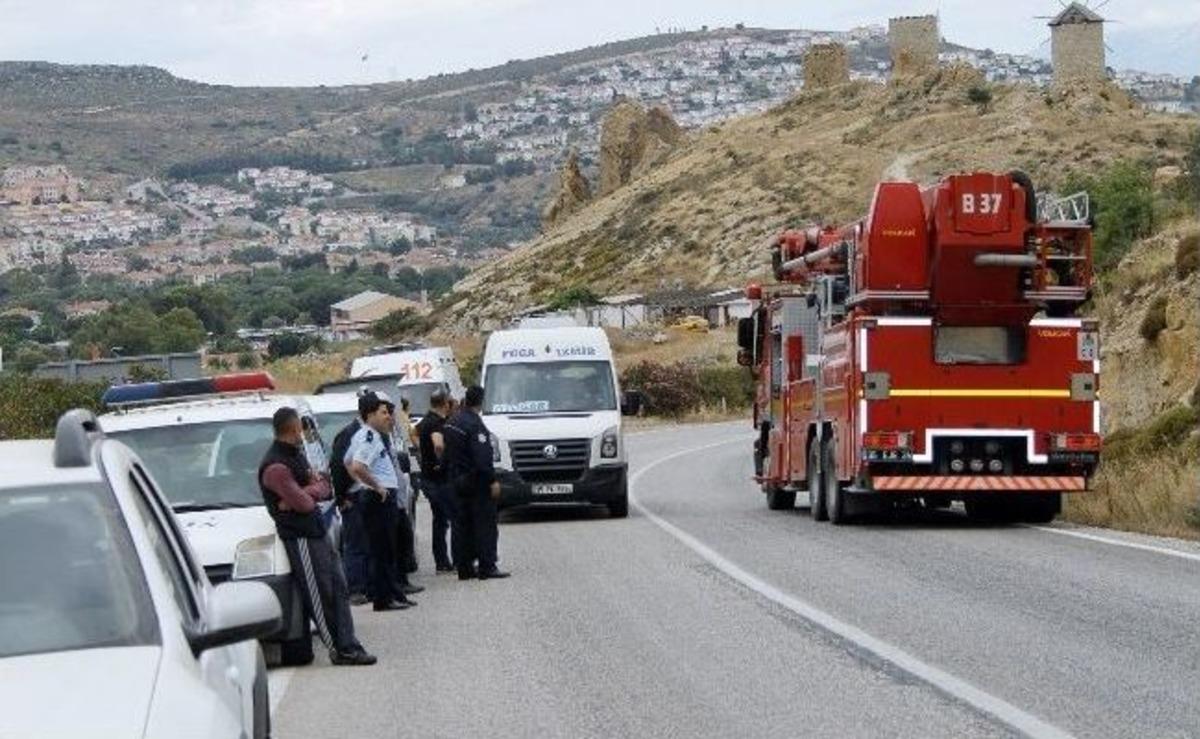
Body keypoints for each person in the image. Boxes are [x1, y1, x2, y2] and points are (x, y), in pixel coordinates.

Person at [259, 407, 376, 666]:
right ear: (292, 429)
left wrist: (309, 491)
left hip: (317, 530)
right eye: (300, 429)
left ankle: (349, 643)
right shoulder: (276, 466)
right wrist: (308, 493)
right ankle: (340, 649)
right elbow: (303, 504)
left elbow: (324, 486)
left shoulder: (296, 456)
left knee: (338, 588)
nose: (303, 434)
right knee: (321, 595)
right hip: (300, 537)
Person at [345, 392, 415, 611]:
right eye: (383, 413)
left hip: (377, 497)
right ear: (370, 415)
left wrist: (363, 484)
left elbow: (347, 461)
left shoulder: (364, 435)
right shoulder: (369, 437)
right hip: (379, 499)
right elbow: (356, 466)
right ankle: (384, 599)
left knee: (387, 549)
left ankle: (393, 593)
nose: (389, 417)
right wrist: (375, 486)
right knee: (382, 550)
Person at [444, 385, 510, 581]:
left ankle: (464, 567)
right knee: (485, 524)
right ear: (481, 402)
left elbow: (447, 454)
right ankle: (487, 565)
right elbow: (482, 458)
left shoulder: (452, 422)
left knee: (462, 525)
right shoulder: (474, 424)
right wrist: (491, 481)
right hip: (476, 482)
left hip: (456, 481)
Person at [330, 408, 369, 606]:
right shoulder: (348, 434)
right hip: (353, 496)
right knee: (355, 545)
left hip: (367, 495)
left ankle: (368, 585)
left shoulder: (368, 433)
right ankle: (355, 589)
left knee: (368, 542)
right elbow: (338, 466)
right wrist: (341, 497)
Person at [415, 389, 457, 572]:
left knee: (439, 520)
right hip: (439, 480)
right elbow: (438, 444)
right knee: (455, 517)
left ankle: (441, 562)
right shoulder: (437, 423)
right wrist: (441, 460)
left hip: (428, 478)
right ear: (445, 404)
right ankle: (456, 560)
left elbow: (415, 436)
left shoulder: (425, 421)